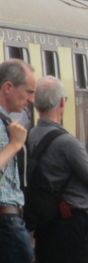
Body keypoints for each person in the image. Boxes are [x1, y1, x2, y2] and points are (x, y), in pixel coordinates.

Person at [28, 76, 88, 262]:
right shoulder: (68, 143)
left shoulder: (29, 137)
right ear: (61, 103)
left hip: (44, 223)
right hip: (73, 224)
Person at [0, 59, 36, 262]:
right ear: (8, 88)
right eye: (28, 92)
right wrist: (14, 145)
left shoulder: (7, 122)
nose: (31, 100)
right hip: (5, 220)